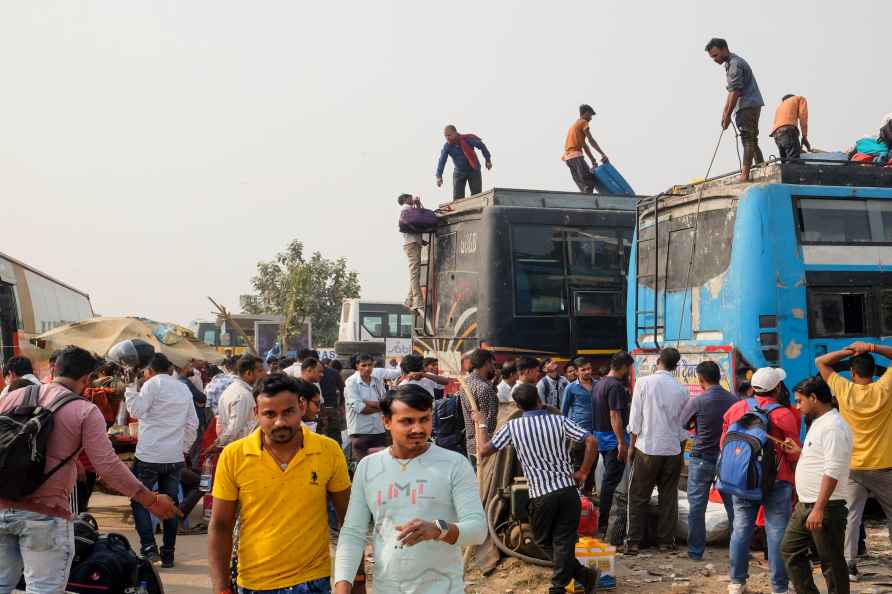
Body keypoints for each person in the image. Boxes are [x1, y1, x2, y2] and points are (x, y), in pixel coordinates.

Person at [0, 346, 180, 594]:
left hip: (2, 508)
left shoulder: (12, 396)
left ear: (54, 369)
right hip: (47, 516)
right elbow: (108, 467)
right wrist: (150, 500)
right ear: (86, 379)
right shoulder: (83, 410)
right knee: (44, 589)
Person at [334, 384, 486, 594]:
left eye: (424, 419)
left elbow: (478, 530)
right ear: (386, 422)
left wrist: (439, 529)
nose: (418, 429)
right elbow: (353, 533)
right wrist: (342, 586)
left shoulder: (454, 464)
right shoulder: (368, 467)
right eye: (407, 421)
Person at [209, 373, 351, 594]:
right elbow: (220, 526)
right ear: (256, 413)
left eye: (288, 412)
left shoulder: (328, 451)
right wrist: (221, 588)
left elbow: (348, 522)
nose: (280, 422)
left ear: (301, 407)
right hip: (255, 583)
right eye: (269, 414)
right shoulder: (233, 456)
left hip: (313, 582)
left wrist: (356, 577)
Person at [475, 384, 599, 594]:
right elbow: (591, 440)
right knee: (563, 540)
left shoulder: (513, 427)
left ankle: (559, 587)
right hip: (569, 491)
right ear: (540, 400)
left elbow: (484, 450)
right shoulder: (559, 420)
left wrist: (480, 424)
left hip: (542, 495)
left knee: (543, 539)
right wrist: (584, 471)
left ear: (518, 406)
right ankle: (583, 575)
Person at [815, 342, 892, 582]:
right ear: (873, 372)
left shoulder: (844, 389)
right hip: (884, 465)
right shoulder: (885, 388)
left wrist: (849, 351)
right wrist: (870, 346)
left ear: (852, 373)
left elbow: (822, 362)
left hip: (852, 466)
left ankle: (849, 565)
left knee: (852, 517)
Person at [722, 367, 802, 594]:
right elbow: (793, 453)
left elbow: (724, 443)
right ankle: (779, 587)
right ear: (777, 388)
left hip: (742, 480)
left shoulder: (737, 408)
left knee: (740, 529)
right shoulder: (784, 414)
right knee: (776, 532)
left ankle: (736, 583)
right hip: (777, 481)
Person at [125, 353, 200, 567]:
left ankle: (149, 549)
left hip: (149, 455)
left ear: (149, 370)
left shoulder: (152, 385)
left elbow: (135, 410)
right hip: (174, 457)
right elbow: (192, 424)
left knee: (140, 501)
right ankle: (168, 554)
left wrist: (130, 388)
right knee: (170, 503)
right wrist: (181, 448)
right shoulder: (183, 388)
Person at [780, 377, 852, 594]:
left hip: (826, 506)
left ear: (814, 398)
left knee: (831, 563)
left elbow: (833, 469)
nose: (797, 406)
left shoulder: (833, 427)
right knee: (789, 551)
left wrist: (819, 508)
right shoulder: (819, 422)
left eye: (800, 401)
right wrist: (801, 453)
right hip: (806, 505)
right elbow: (821, 458)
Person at [625, 347, 690, 554]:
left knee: (638, 495)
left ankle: (633, 541)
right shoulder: (681, 390)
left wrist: (631, 446)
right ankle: (665, 541)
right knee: (668, 497)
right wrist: (679, 450)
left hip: (647, 447)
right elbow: (683, 426)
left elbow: (635, 420)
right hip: (673, 449)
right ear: (676, 366)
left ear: (658, 361)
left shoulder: (644, 383)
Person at [680, 360, 738, 560]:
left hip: (702, 459)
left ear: (701, 379)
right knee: (733, 506)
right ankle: (737, 549)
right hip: (727, 459)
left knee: (697, 507)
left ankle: (696, 552)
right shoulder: (733, 399)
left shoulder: (699, 401)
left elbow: (684, 423)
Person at [705, 37, 765, 182]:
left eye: (715, 55)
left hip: (747, 105)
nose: (714, 59)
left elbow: (736, 91)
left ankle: (745, 174)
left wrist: (728, 115)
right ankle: (761, 167)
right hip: (748, 104)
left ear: (724, 49)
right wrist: (725, 113)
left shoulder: (735, 64)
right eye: (712, 57)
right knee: (751, 139)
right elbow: (731, 91)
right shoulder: (730, 64)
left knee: (747, 137)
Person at [592, 351, 633, 536]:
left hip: (601, 437)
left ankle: (602, 520)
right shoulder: (615, 387)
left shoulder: (599, 383)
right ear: (624, 367)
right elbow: (614, 415)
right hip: (612, 439)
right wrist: (621, 442)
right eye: (629, 368)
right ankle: (603, 523)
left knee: (608, 481)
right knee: (610, 482)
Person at [457, 348, 499, 471]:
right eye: (492, 364)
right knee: (483, 486)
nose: (494, 368)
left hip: (471, 444)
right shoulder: (483, 388)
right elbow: (489, 423)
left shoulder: (465, 383)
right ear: (486, 363)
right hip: (484, 445)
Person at [344, 353, 390, 462]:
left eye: (370, 365)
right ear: (357, 366)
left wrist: (368, 402)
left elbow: (386, 402)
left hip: (379, 430)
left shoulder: (376, 381)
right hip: (360, 432)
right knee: (362, 467)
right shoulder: (352, 382)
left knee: (381, 466)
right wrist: (379, 406)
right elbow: (361, 409)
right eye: (364, 365)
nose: (367, 368)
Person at [561, 357, 597, 495]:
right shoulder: (571, 388)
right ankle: (575, 494)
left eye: (589, 368)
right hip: (578, 432)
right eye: (584, 370)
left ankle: (588, 492)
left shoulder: (598, 384)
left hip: (595, 432)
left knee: (592, 463)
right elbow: (563, 411)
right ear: (576, 372)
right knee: (577, 463)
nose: (588, 372)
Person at [215, 354, 266, 450]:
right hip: (241, 448)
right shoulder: (243, 395)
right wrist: (218, 445)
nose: (264, 373)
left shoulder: (233, 389)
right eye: (260, 371)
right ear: (249, 374)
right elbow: (234, 429)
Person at [435, 125, 492, 200]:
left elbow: (481, 146)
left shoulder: (467, 139)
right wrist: (439, 176)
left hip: (473, 170)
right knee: (457, 199)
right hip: (459, 172)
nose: (447, 138)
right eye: (445, 136)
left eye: (449, 135)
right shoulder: (447, 146)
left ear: (455, 133)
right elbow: (442, 160)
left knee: (476, 196)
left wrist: (487, 160)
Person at [562, 104, 609, 193]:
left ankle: (587, 202)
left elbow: (584, 145)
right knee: (589, 182)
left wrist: (592, 160)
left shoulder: (575, 125)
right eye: (590, 115)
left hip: (569, 159)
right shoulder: (583, 122)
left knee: (583, 186)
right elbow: (591, 140)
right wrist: (602, 154)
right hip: (576, 156)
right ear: (586, 113)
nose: (591, 118)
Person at [399, 193, 426, 312]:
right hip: (412, 245)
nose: (412, 199)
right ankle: (418, 301)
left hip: (413, 244)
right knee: (415, 274)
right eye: (410, 198)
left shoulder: (408, 211)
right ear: (405, 200)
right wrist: (418, 204)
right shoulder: (406, 208)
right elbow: (421, 215)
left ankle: (409, 300)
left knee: (415, 273)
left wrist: (421, 240)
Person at [770, 94, 810, 160]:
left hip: (777, 136)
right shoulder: (799, 98)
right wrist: (804, 136)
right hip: (788, 132)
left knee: (785, 162)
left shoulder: (780, 106)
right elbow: (803, 117)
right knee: (794, 161)